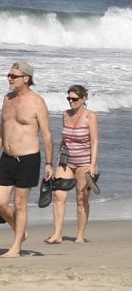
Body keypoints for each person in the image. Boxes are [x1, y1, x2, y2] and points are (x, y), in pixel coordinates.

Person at [0, 61, 53, 258]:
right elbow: (2, 128)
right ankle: (20, 231)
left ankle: (16, 248)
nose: (9, 78)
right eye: (8, 75)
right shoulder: (7, 99)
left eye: (13, 76)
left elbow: (47, 135)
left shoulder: (37, 102)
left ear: (26, 79)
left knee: (19, 204)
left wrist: (49, 163)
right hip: (7, 158)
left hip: (28, 158)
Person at [45, 84, 100, 244]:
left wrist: (93, 164)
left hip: (84, 162)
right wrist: (56, 162)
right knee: (58, 195)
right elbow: (64, 140)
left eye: (74, 99)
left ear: (83, 99)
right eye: (68, 98)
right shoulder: (65, 114)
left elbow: (94, 141)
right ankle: (57, 234)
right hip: (66, 162)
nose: (71, 101)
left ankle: (80, 235)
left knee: (81, 198)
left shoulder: (90, 116)